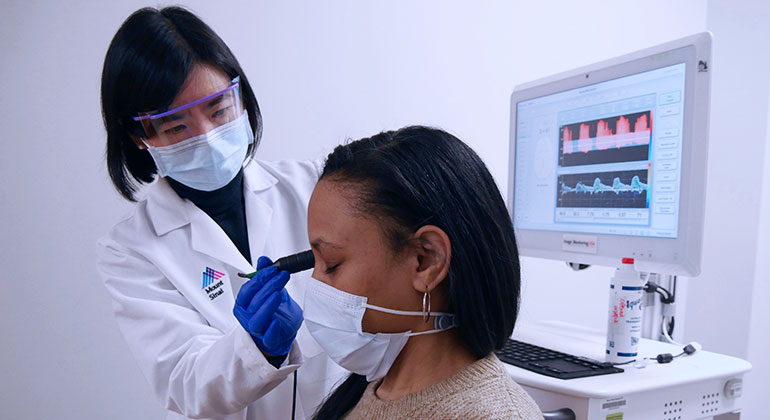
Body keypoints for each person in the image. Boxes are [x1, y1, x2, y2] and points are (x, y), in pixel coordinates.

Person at [95, 7, 345, 420]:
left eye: (218, 111)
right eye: (177, 127)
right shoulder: (130, 252)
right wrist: (258, 348)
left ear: (241, 96)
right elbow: (185, 384)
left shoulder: (314, 186)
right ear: (139, 136)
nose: (208, 138)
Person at [304, 126, 544, 420]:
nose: (316, 284)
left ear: (426, 260)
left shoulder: (496, 415)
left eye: (331, 264)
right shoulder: (371, 390)